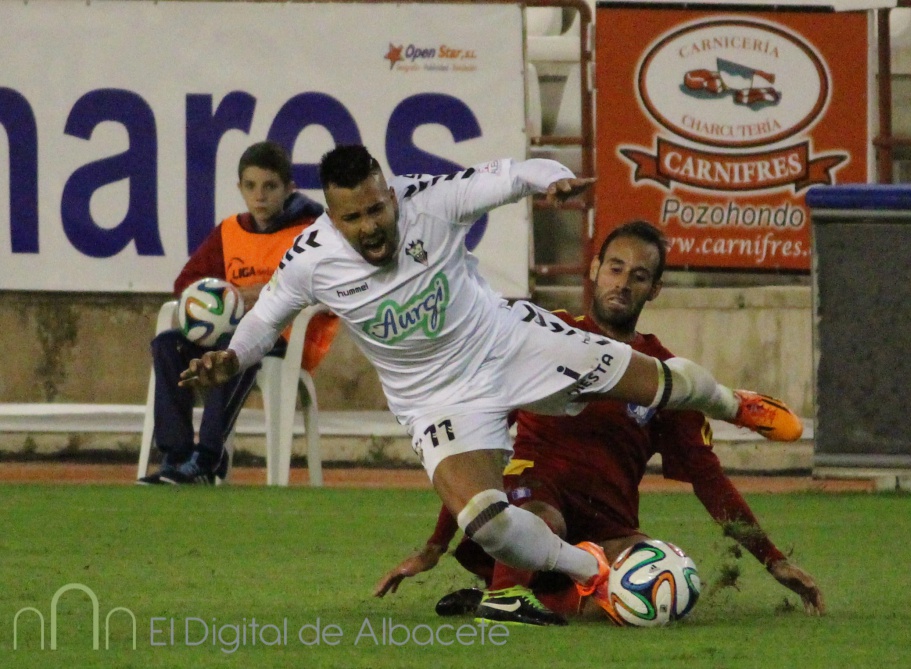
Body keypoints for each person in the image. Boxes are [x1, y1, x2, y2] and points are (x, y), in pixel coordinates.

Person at [178, 146, 803, 624]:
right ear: (331, 217)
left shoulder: (430, 200)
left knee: (658, 381)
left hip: (506, 344)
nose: (370, 227)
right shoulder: (310, 258)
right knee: (484, 519)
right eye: (353, 218)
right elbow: (264, 320)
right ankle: (593, 574)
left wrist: (552, 178)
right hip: (435, 400)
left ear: (390, 194)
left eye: (376, 209)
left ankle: (736, 403)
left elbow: (512, 175)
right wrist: (231, 358)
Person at [372, 221, 825, 625]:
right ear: (594, 269)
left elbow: (709, 479)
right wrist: (435, 545)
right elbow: (474, 445)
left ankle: (537, 598)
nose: (622, 284)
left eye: (639, 276)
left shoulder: (663, 377)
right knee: (541, 519)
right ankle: (506, 596)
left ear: (655, 289)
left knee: (667, 581)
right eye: (615, 268)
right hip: (534, 499)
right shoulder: (542, 338)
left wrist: (773, 560)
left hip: (608, 527)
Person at [139, 141, 338, 485]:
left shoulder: (310, 230)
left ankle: (208, 459)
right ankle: (177, 457)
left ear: (289, 188)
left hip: (287, 337)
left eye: (270, 186)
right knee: (168, 345)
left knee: (234, 346)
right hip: (231, 331)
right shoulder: (231, 231)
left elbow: (331, 283)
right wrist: (222, 296)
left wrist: (268, 293)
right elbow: (186, 283)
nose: (259, 196)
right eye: (250, 186)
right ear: (239, 188)